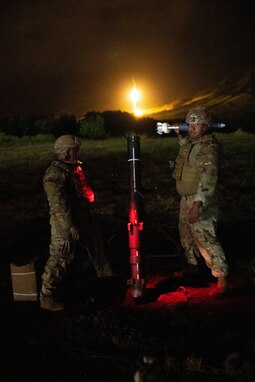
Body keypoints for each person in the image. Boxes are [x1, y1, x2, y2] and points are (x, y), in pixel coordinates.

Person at [40, 134, 113, 311]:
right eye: (74, 150)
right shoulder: (55, 174)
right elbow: (58, 204)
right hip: (64, 224)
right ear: (66, 152)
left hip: (81, 218)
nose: (77, 152)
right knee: (60, 258)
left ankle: (107, 279)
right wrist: (70, 225)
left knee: (97, 247)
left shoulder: (72, 170)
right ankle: (47, 296)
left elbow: (82, 191)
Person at [172, 106, 229, 290]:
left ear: (206, 125)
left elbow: (208, 178)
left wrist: (197, 205)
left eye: (196, 124)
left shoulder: (210, 148)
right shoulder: (192, 142)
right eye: (190, 124)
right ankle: (194, 270)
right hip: (186, 199)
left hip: (199, 200)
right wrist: (180, 137)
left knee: (205, 238)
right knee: (186, 236)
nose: (192, 128)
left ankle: (222, 278)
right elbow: (188, 152)